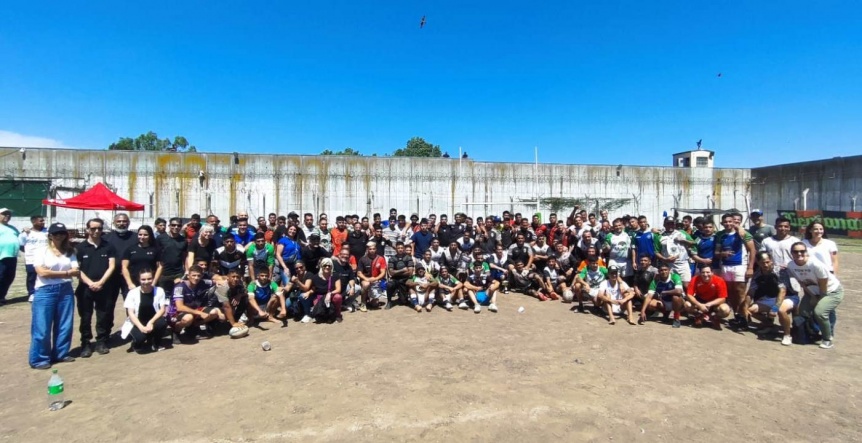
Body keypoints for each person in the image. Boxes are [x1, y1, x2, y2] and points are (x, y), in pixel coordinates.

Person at [29, 222, 79, 370]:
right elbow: (42, 272)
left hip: (65, 289)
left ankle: (61, 353)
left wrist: (58, 274)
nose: (59, 236)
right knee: (42, 326)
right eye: (56, 233)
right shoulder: (41, 251)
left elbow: (75, 270)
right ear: (50, 235)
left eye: (62, 233)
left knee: (65, 324)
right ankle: (39, 358)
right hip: (45, 290)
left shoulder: (70, 252)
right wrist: (66, 273)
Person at [787, 242, 843, 349]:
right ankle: (812, 333)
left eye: (802, 251)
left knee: (820, 312)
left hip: (831, 292)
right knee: (803, 312)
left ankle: (827, 339)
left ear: (806, 252)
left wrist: (818, 300)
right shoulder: (791, 265)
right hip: (812, 292)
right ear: (791, 253)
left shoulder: (815, 264)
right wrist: (812, 296)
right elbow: (802, 283)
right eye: (795, 252)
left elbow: (823, 285)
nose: (799, 254)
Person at [75, 218, 117, 358]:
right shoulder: (80, 248)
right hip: (85, 289)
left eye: (99, 228)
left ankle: (101, 341)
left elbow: (111, 266)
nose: (96, 231)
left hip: (104, 287)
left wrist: (101, 282)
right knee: (85, 317)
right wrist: (90, 283)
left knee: (103, 315)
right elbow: (77, 269)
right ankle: (86, 343)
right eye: (93, 228)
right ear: (88, 229)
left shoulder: (108, 246)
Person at [714, 213, 756, 328]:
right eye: (725, 222)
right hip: (725, 266)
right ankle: (737, 315)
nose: (728, 224)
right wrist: (722, 254)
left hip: (740, 265)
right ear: (722, 223)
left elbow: (752, 250)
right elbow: (716, 253)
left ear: (734, 222)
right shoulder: (720, 235)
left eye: (730, 221)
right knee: (730, 292)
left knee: (740, 292)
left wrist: (750, 267)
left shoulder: (743, 233)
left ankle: (745, 317)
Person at [747, 252, 796, 345]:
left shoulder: (780, 271)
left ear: (771, 261)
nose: (765, 265)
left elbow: (783, 291)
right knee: (750, 310)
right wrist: (744, 308)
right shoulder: (758, 272)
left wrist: (775, 308)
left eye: (767, 262)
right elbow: (751, 291)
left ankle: (787, 335)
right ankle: (769, 325)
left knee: (781, 310)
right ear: (758, 263)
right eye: (762, 263)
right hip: (772, 297)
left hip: (789, 296)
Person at [168, 265, 220, 343]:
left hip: (193, 310)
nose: (196, 278)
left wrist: (221, 281)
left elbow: (218, 281)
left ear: (202, 276)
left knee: (214, 312)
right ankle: (176, 330)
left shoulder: (203, 282)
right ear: (188, 276)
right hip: (177, 313)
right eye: (193, 275)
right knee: (188, 318)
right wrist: (200, 313)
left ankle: (193, 326)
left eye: (198, 275)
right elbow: (180, 307)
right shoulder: (180, 286)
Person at [122, 268, 168, 353]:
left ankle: (156, 343)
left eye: (149, 279)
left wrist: (151, 322)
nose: (146, 281)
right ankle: (136, 343)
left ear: (153, 278)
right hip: (137, 322)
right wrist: (141, 327)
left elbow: (162, 310)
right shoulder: (132, 293)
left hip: (153, 320)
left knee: (162, 323)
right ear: (139, 280)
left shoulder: (159, 291)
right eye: (143, 279)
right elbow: (130, 313)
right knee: (140, 339)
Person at [639, 262, 684, 328]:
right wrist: (642, 311)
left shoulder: (675, 276)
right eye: (661, 270)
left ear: (669, 270)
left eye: (665, 270)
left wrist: (665, 292)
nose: (664, 272)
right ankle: (666, 314)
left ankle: (676, 319)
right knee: (650, 303)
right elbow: (649, 296)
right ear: (658, 271)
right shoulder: (655, 280)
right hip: (664, 302)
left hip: (678, 303)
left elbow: (679, 291)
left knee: (676, 297)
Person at [121, 225, 163, 289]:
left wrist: (154, 282)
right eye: (140, 234)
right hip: (133, 284)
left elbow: (160, 267)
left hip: (149, 283)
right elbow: (124, 267)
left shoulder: (156, 249)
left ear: (150, 236)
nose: (142, 237)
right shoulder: (130, 249)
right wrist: (130, 283)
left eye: (145, 235)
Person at [19, 215, 48, 302]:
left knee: (44, 275)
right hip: (31, 259)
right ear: (34, 222)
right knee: (32, 276)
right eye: (41, 221)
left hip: (45, 259)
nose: (43, 222)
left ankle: (43, 291)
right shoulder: (26, 233)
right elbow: (21, 245)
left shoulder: (47, 232)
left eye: (43, 221)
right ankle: (32, 293)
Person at [156, 217, 188, 297]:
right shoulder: (160, 238)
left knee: (178, 297)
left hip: (178, 274)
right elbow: (156, 255)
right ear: (169, 226)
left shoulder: (183, 240)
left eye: (178, 225)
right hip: (163, 274)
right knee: (162, 297)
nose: (176, 227)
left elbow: (185, 257)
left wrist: (186, 270)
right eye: (173, 225)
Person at [309, 257, 343, 323]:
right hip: (320, 298)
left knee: (338, 297)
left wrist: (330, 293)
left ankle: (337, 315)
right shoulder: (315, 277)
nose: (327, 267)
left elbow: (338, 289)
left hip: (331, 297)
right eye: (325, 265)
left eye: (329, 265)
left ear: (331, 266)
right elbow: (313, 289)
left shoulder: (335, 276)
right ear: (321, 266)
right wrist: (308, 293)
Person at [0, 207, 20, 306]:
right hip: (1, 257)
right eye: (4, 214)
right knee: (1, 276)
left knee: (9, 277)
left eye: (9, 214)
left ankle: (2, 296)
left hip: (11, 256)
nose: (7, 216)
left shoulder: (13, 228)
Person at [386, 242, 414, 309]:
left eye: (401, 248)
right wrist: (402, 270)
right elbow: (391, 273)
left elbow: (410, 272)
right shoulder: (392, 259)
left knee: (403, 301)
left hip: (405, 279)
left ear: (404, 248)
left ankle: (404, 297)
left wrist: (396, 272)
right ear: (396, 249)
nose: (400, 249)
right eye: (398, 248)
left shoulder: (408, 258)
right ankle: (389, 301)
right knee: (389, 284)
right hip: (395, 279)